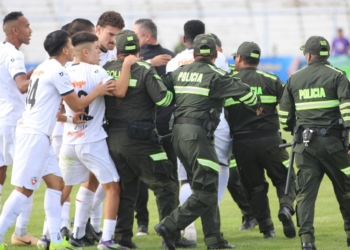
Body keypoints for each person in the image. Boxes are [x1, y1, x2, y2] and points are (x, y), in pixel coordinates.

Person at [0, 29, 115, 250]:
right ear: (65, 49)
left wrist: (71, 120)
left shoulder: (44, 67)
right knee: (23, 189)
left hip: (40, 135)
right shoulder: (59, 71)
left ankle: (55, 239)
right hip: (34, 135)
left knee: (57, 184)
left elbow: (56, 109)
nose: (73, 48)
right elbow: (77, 105)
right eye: (71, 44)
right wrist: (98, 90)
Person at [155, 34, 262, 250]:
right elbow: (247, 94)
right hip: (198, 135)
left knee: (205, 186)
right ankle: (169, 226)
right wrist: (257, 106)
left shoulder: (179, 72)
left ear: (194, 54)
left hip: (177, 135)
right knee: (206, 188)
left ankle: (214, 240)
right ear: (215, 55)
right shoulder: (217, 75)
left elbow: (161, 94)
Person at [103, 30, 195, 249]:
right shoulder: (144, 69)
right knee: (167, 185)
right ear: (138, 50)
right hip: (140, 139)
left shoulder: (106, 69)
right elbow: (164, 100)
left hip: (113, 138)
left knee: (127, 189)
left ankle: (123, 238)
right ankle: (170, 237)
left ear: (117, 50)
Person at [56, 31, 137, 249]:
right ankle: (107, 239)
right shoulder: (95, 71)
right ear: (85, 51)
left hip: (69, 141)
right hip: (91, 141)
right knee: (113, 188)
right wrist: (127, 64)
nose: (100, 54)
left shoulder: (62, 72)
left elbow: (58, 110)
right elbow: (120, 91)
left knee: (71, 187)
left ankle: (71, 233)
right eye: (96, 50)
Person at [279, 36, 350, 250]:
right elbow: (347, 110)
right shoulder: (339, 76)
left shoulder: (294, 78)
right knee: (346, 189)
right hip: (334, 146)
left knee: (306, 195)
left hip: (304, 147)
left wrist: (295, 127)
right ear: (327, 54)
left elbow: (283, 117)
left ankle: (307, 241)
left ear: (308, 55)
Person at [165, 20, 232, 241]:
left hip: (182, 126)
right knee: (217, 172)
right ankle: (205, 228)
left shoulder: (173, 63)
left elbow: (168, 98)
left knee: (187, 180)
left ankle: (191, 230)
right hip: (214, 124)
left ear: (184, 40)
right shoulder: (219, 57)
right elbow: (228, 85)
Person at [226, 41, 296, 239]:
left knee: (254, 187)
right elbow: (289, 107)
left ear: (239, 58)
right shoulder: (271, 79)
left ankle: (267, 230)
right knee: (286, 178)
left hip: (241, 144)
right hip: (271, 141)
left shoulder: (229, 81)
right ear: (257, 60)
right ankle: (285, 207)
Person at [132, 18, 176, 237]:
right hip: (167, 126)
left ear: (146, 36)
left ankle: (143, 224)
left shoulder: (133, 60)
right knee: (170, 176)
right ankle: (171, 224)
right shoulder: (170, 56)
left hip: (149, 127)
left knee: (142, 176)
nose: (132, 39)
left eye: (135, 35)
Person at [0, 11, 39, 247]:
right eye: (26, 26)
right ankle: (20, 232)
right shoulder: (14, 55)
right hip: (14, 121)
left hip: (1, 118)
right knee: (28, 178)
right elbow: (22, 86)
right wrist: (43, 71)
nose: (30, 30)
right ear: (15, 30)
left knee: (2, 174)